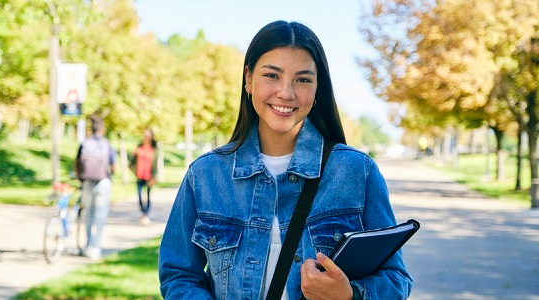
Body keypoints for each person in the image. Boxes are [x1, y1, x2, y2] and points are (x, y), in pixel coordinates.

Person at [158, 20, 413, 300]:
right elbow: (179, 275)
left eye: (303, 79)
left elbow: (396, 278)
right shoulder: (205, 175)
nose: (286, 93)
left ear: (317, 89)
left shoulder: (357, 172)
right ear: (248, 80)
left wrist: (350, 295)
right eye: (272, 76)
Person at [74, 116, 116, 260]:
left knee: (88, 214)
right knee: (100, 216)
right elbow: (113, 165)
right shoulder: (107, 145)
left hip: (87, 182)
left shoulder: (85, 144)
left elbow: (77, 162)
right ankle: (96, 247)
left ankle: (88, 245)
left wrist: (80, 177)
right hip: (103, 182)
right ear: (102, 130)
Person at [130, 128, 158, 225]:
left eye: (148, 136)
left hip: (149, 176)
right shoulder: (139, 147)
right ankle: (142, 212)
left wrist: (154, 176)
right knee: (139, 195)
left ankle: (146, 214)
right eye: (145, 135)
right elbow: (131, 162)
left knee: (148, 196)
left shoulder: (154, 148)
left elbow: (155, 164)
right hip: (139, 175)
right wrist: (133, 154)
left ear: (151, 137)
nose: (146, 137)